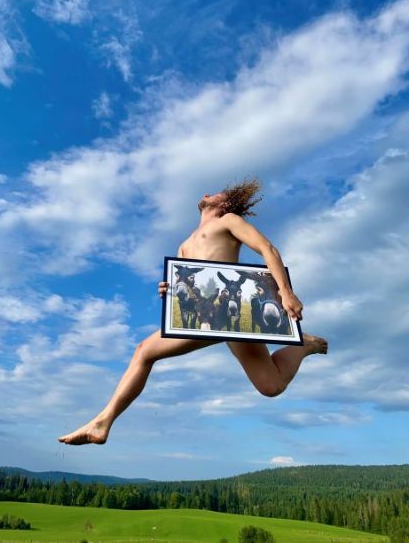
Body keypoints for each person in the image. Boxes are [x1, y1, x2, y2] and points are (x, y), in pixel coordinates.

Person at [58, 179, 328, 445]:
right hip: (207, 314)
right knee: (271, 386)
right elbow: (189, 287)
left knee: (144, 351)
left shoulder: (228, 221)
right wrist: (170, 289)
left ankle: (102, 423)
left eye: (215, 193)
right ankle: (305, 344)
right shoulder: (184, 245)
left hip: (228, 311)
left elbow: (267, 249)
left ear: (225, 203)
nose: (207, 193)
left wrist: (285, 292)